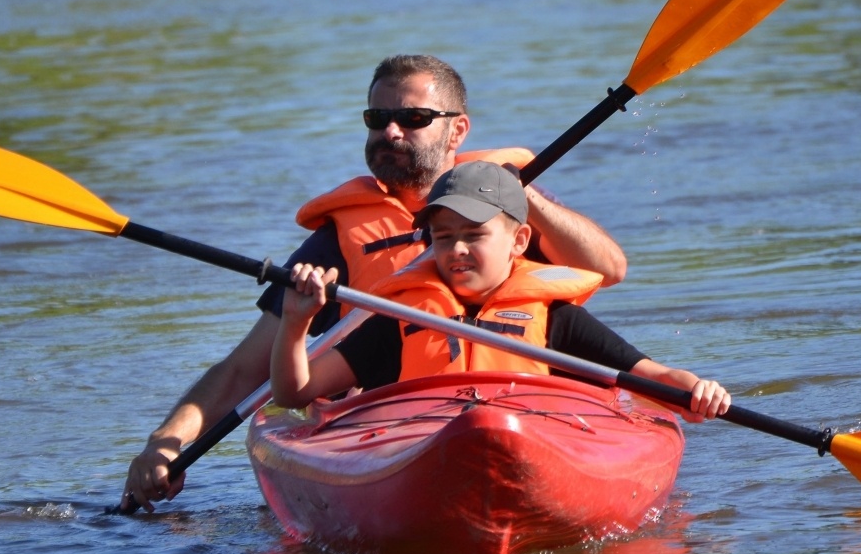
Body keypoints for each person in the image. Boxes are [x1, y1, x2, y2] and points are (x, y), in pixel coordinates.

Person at [121, 55, 629, 511]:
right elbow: (243, 369)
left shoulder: (504, 215)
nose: (390, 132)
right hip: (393, 427)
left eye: (412, 119)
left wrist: (524, 195)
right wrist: (165, 443)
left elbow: (608, 268)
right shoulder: (339, 238)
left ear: (458, 131)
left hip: (524, 414)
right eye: (377, 119)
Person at [271, 161, 731, 420]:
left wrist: (697, 390)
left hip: (531, 437)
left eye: (474, 234)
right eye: (445, 236)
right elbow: (296, 392)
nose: (458, 249)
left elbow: (653, 378)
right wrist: (296, 323)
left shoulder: (556, 320)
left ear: (518, 242)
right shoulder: (401, 321)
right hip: (422, 444)